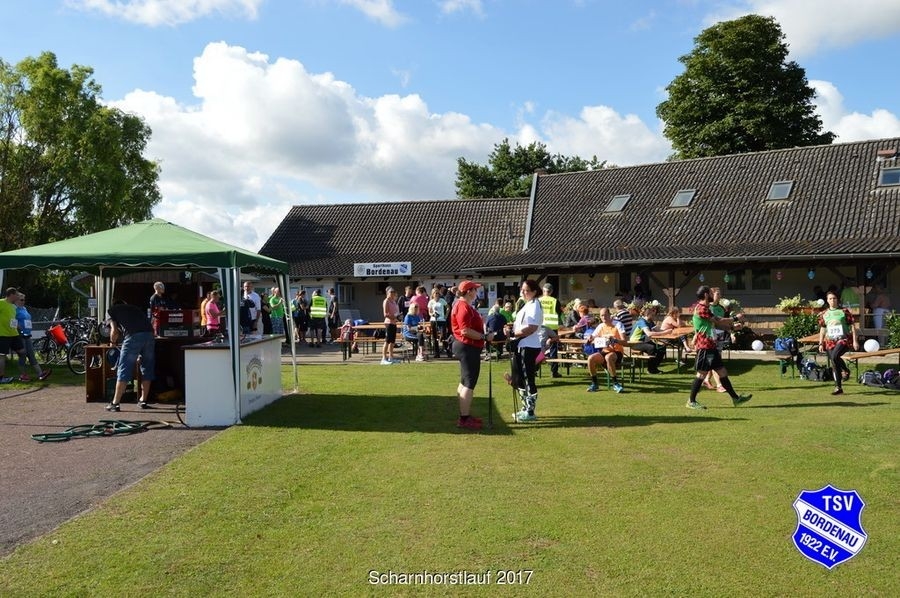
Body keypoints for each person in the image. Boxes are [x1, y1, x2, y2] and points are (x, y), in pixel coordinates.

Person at [686, 285, 752, 410]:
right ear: (706, 295)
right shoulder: (701, 308)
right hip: (705, 346)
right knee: (701, 374)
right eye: (711, 293)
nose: (713, 295)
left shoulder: (706, 308)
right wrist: (735, 318)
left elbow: (715, 325)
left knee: (722, 372)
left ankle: (736, 399)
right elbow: (718, 320)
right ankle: (691, 401)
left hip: (711, 346)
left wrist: (732, 328)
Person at [450, 280, 494, 429]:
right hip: (467, 346)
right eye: (475, 290)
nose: (476, 292)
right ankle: (463, 418)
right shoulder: (463, 306)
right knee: (469, 383)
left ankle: (465, 415)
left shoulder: (464, 305)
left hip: (466, 346)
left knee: (464, 381)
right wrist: (483, 337)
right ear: (469, 291)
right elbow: (465, 331)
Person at [105, 300, 155, 411]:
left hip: (133, 336)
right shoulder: (134, 307)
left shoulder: (111, 311)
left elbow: (114, 331)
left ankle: (115, 403)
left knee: (124, 368)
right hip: (149, 334)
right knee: (147, 367)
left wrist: (112, 344)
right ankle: (143, 400)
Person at [505, 279, 542, 422]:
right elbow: (521, 324)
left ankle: (530, 411)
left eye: (527, 290)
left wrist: (514, 334)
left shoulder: (535, 306)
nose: (524, 292)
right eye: (523, 290)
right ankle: (524, 408)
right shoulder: (528, 305)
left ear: (534, 291)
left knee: (528, 379)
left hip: (529, 345)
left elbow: (531, 327)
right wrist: (510, 328)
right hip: (521, 345)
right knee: (519, 379)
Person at [818, 289, 859, 395]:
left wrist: (855, 341)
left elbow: (852, 326)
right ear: (827, 300)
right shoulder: (824, 314)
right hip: (829, 341)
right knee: (834, 362)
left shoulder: (844, 311)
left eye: (834, 298)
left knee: (835, 357)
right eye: (830, 299)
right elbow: (822, 329)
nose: (833, 300)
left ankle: (845, 370)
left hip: (843, 339)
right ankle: (838, 387)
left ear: (837, 299)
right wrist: (820, 343)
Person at [585, 307, 625, 393]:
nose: (604, 317)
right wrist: (590, 338)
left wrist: (615, 340)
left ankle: (616, 384)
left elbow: (625, 341)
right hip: (605, 351)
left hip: (617, 351)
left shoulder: (618, 324)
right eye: (602, 316)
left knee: (608, 357)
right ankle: (594, 384)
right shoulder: (600, 326)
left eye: (605, 315)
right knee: (590, 358)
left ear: (610, 315)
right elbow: (593, 337)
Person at [15, 292, 51, 382]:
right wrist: (18, 327)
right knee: (22, 355)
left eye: (24, 300)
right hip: (20, 335)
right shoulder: (14, 309)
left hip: (27, 334)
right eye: (21, 300)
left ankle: (40, 374)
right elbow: (12, 321)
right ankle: (23, 375)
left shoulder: (24, 308)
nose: (23, 301)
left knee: (31, 354)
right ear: (16, 300)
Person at [629, 304, 666, 374]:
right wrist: (664, 333)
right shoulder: (641, 321)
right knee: (651, 348)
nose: (654, 316)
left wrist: (667, 331)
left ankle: (654, 367)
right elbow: (649, 333)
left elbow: (658, 330)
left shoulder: (650, 321)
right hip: (635, 343)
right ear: (648, 313)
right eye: (653, 314)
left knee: (662, 347)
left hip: (643, 342)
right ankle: (651, 369)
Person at [538, 282, 564, 378]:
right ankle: (554, 371)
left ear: (543, 291)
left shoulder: (538, 300)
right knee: (553, 350)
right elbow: (560, 313)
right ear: (551, 291)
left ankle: (534, 369)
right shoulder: (555, 301)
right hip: (552, 328)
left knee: (539, 349)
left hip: (540, 327)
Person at [0, 288, 25, 384]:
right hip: (3, 335)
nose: (18, 297)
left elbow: (12, 320)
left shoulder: (13, 307)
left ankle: (22, 373)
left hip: (14, 334)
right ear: (11, 295)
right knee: (2, 356)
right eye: (17, 295)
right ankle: (1, 378)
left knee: (22, 352)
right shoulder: (1, 302)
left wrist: (18, 326)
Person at [381, 287, 400, 365]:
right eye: (390, 292)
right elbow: (385, 314)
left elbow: (396, 312)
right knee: (387, 341)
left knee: (392, 342)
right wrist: (394, 317)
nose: (392, 294)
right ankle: (383, 358)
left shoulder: (394, 302)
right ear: (387, 293)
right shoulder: (386, 301)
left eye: (393, 292)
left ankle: (391, 357)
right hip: (388, 323)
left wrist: (398, 317)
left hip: (394, 323)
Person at [427, 287, 448, 359]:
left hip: (442, 320)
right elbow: (429, 311)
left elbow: (448, 307)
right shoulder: (431, 302)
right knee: (435, 337)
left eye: (437, 293)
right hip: (434, 320)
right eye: (435, 293)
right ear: (432, 294)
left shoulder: (442, 300)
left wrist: (446, 316)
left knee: (443, 336)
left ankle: (447, 351)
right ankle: (437, 353)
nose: (436, 294)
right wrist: (432, 314)